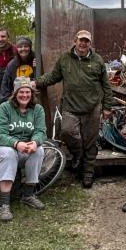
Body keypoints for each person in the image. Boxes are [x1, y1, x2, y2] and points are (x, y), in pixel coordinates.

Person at [34, 30, 113, 189]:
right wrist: (36, 83)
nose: (83, 44)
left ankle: (88, 172)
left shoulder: (97, 60)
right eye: (81, 40)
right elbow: (53, 76)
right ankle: (77, 154)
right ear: (75, 41)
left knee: (91, 141)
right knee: (67, 132)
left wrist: (107, 107)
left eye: (86, 41)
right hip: (70, 107)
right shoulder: (65, 59)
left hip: (92, 108)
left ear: (90, 43)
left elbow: (106, 85)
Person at [0, 78, 48, 222]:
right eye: (21, 92)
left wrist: (35, 142)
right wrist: (16, 143)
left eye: (27, 92)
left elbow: (41, 131)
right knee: (8, 152)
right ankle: (4, 204)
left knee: (39, 151)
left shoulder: (37, 109)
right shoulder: (5, 107)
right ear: (15, 93)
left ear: (32, 93)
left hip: (21, 148)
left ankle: (28, 195)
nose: (24, 95)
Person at [0, 35, 39, 102]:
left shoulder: (36, 61)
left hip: (34, 99)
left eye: (26, 46)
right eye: (20, 47)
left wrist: (36, 68)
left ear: (30, 47)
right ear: (17, 49)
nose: (23, 49)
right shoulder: (12, 65)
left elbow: (41, 80)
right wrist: (8, 102)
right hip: (17, 100)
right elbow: (5, 87)